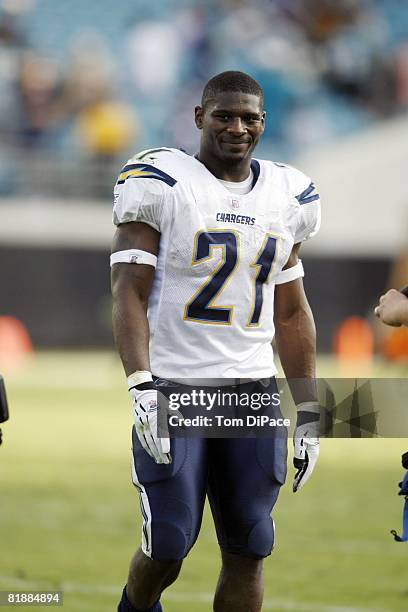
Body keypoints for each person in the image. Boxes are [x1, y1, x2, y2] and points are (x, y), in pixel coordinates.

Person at [111, 71, 321, 612]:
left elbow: (293, 313)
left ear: (264, 124)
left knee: (251, 543)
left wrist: (311, 408)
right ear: (200, 117)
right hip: (177, 387)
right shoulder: (163, 179)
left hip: (250, 390)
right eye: (224, 115)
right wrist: (141, 385)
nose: (237, 127)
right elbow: (127, 291)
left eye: (249, 118)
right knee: (169, 542)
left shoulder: (287, 193)